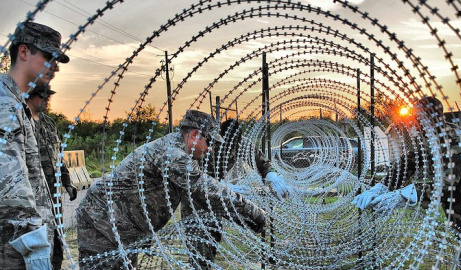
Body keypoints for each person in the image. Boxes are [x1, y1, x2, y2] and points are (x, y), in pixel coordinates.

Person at [76, 110, 266, 269]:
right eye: (209, 142)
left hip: (120, 229)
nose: (210, 150)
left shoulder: (179, 150)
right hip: (102, 224)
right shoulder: (172, 154)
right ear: (194, 135)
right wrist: (254, 213)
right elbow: (206, 189)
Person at [353, 96, 461, 253]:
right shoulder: (430, 138)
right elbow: (408, 163)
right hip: (456, 207)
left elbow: (448, 184)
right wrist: (381, 187)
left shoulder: (457, 139)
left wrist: (404, 195)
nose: (414, 123)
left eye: (418, 118)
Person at [0, 22, 69, 269]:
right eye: (48, 57)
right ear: (24, 52)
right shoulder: (5, 105)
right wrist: (34, 244)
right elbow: (9, 184)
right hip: (13, 246)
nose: (55, 66)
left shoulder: (17, 104)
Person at [181, 118, 292, 269]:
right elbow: (195, 175)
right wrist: (222, 186)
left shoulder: (242, 143)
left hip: (216, 199)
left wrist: (272, 176)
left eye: (234, 140)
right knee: (198, 245)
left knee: (213, 236)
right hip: (196, 199)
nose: (231, 145)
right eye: (228, 141)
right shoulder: (207, 144)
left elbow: (262, 162)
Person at [26, 85, 77, 270]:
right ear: (30, 96)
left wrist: (67, 182)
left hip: (53, 193)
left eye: (49, 96)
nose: (48, 99)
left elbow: (59, 157)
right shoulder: (21, 123)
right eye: (43, 96)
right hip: (33, 195)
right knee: (38, 237)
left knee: (57, 235)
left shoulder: (49, 123)